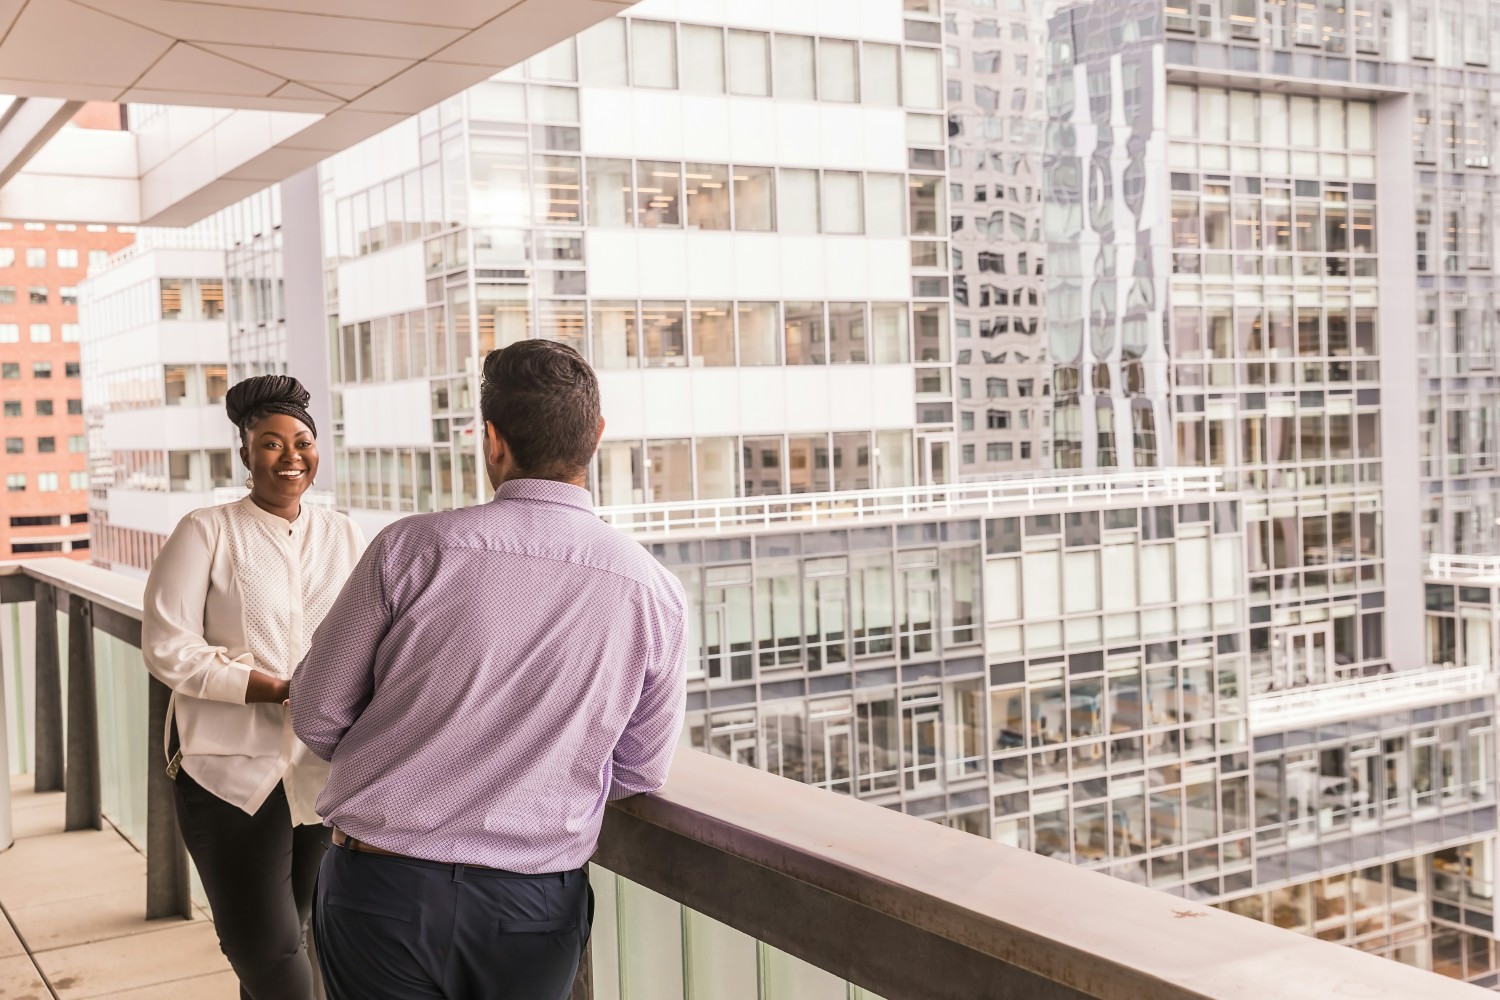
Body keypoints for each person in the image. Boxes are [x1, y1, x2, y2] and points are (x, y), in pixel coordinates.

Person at [292, 340, 687, 1000]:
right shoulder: (654, 591)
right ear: (596, 437)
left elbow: (316, 713)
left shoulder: (411, 549)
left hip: (383, 889)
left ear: (493, 440)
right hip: (532, 908)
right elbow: (641, 771)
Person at [141, 375, 365, 1000]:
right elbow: (167, 645)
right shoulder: (205, 530)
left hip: (321, 773)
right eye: (271, 442)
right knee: (270, 955)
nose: (290, 455)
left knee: (295, 937)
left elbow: (375, 641)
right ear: (245, 452)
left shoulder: (345, 536)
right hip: (229, 777)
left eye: (302, 441)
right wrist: (270, 688)